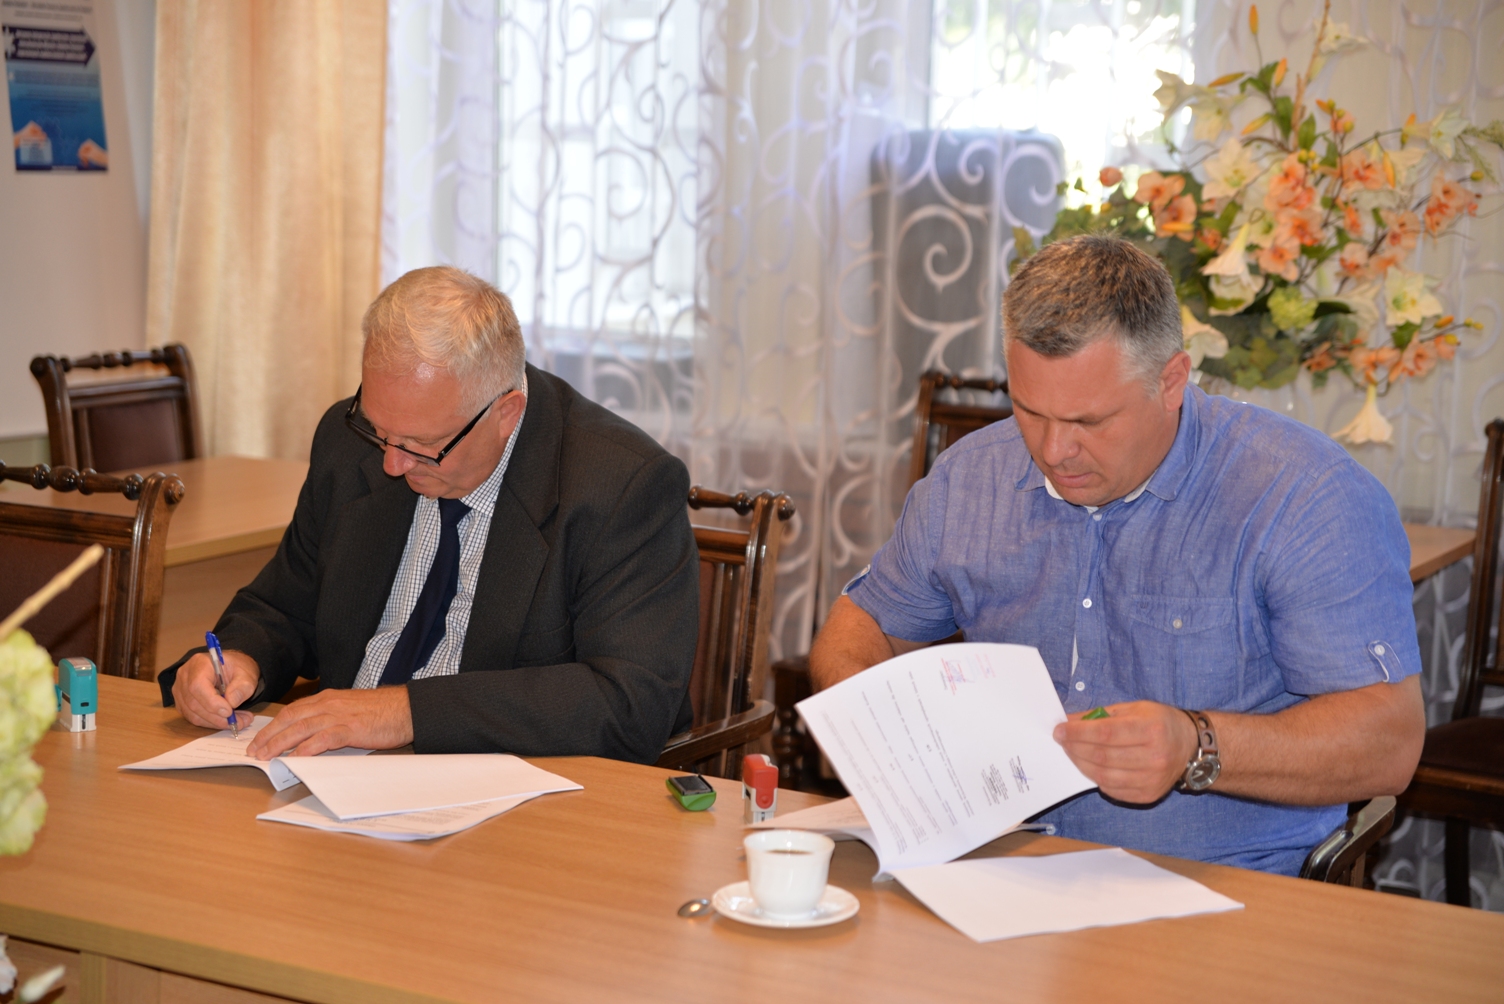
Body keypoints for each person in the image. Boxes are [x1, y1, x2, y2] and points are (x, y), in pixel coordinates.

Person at [809, 235, 1425, 875]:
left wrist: (1197, 746)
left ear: (1172, 381)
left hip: (1219, 886)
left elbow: (1390, 743)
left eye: (1090, 421)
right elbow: (863, 624)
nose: (1053, 451)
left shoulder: (1302, 494)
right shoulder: (970, 479)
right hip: (995, 868)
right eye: (1028, 410)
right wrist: (876, 732)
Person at [161, 266, 700, 764]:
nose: (392, 464)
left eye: (422, 445)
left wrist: (407, 711)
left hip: (507, 794)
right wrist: (239, 659)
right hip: (334, 776)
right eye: (380, 431)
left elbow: (629, 702)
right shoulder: (351, 443)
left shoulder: (620, 486)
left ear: (506, 412)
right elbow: (286, 604)